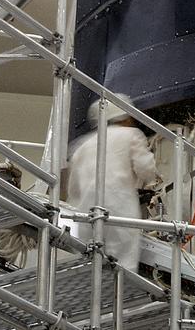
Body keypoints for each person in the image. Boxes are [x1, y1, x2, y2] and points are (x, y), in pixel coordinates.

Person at [63, 95, 161, 271]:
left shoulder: (81, 146)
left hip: (87, 209)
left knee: (90, 260)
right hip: (119, 206)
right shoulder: (131, 135)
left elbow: (73, 189)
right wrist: (151, 180)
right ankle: (118, 296)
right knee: (123, 262)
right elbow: (145, 168)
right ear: (126, 116)